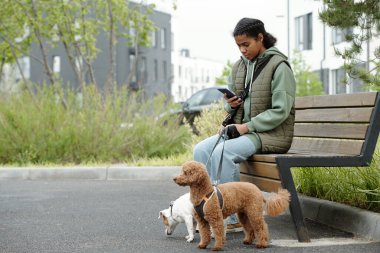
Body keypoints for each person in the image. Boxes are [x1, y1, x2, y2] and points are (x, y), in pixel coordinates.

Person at [193, 17, 296, 232]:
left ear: (260, 38)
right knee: (201, 149)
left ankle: (230, 220)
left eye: (246, 44)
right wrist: (232, 105)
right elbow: (234, 109)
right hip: (244, 132)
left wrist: (245, 127)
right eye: (238, 45)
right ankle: (207, 209)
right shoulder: (239, 67)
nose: (242, 50)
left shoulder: (279, 66)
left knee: (224, 152)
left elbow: (280, 110)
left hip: (270, 134)